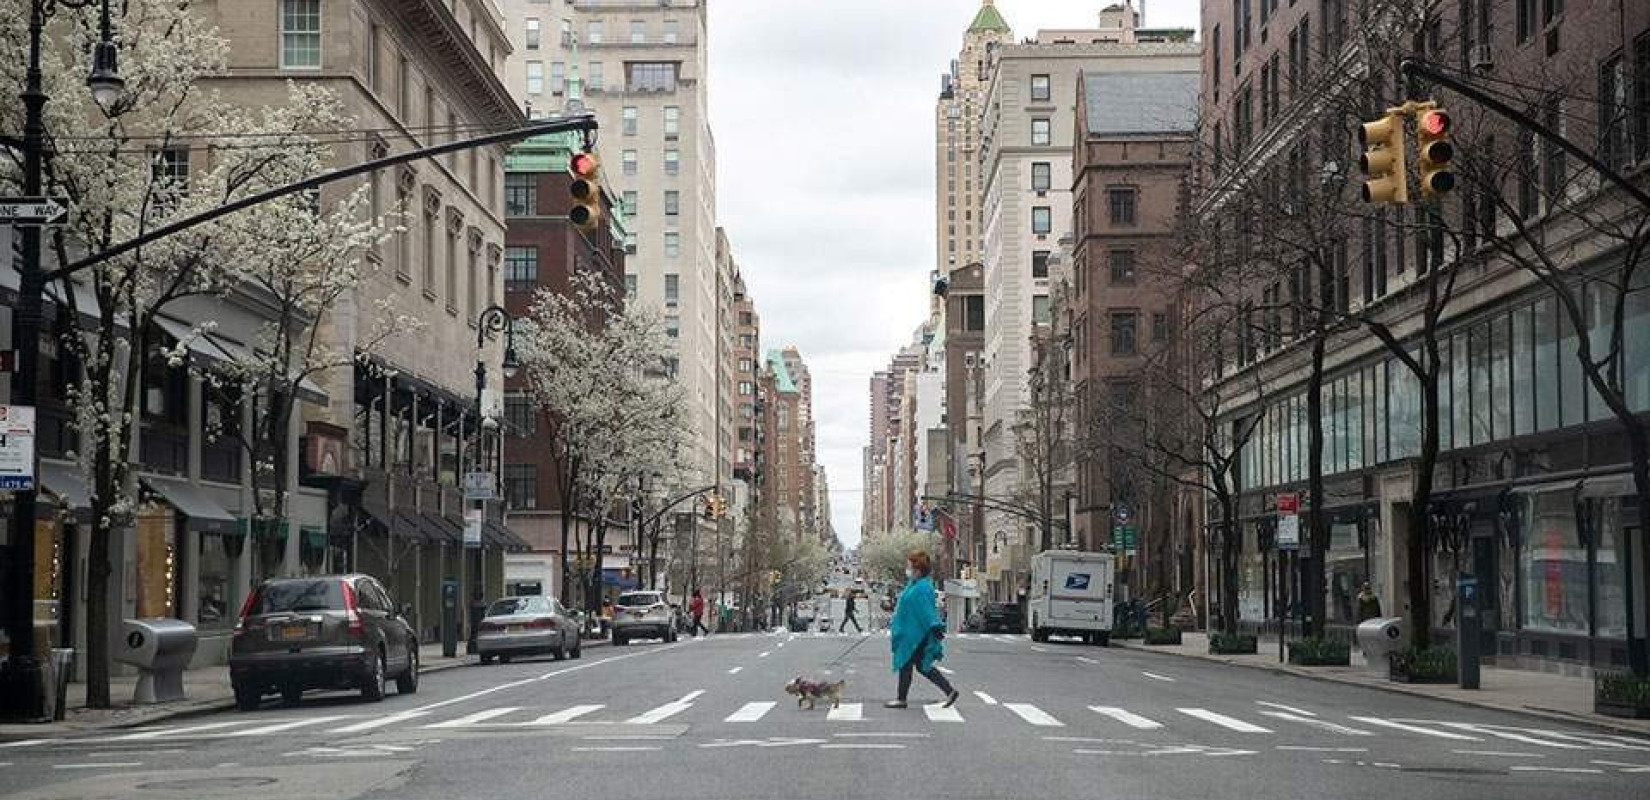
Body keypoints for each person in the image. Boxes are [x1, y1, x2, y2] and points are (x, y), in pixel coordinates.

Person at [885, 550, 959, 709]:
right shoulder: (914, 585)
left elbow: (927, 611)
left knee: (908, 664)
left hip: (917, 635)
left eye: (910, 567)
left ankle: (901, 699)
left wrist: (934, 627)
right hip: (910, 633)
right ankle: (949, 691)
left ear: (918, 569)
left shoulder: (923, 587)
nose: (908, 570)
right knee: (920, 666)